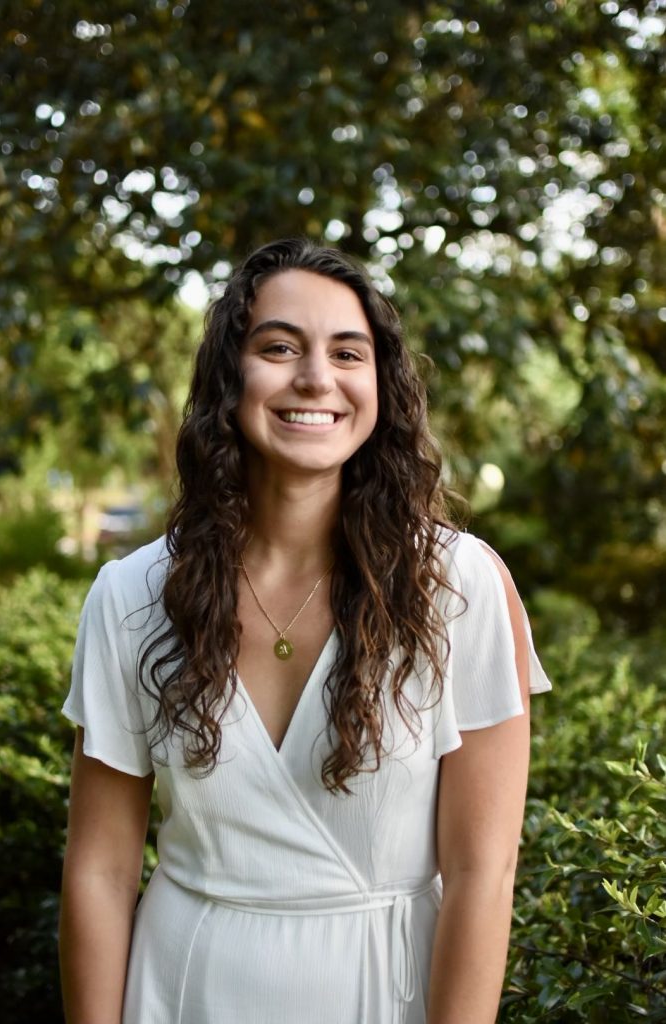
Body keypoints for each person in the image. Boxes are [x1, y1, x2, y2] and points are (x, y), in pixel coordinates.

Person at [59, 237, 551, 1024]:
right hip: (182, 990)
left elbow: (481, 872)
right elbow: (100, 872)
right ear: (231, 377)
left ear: (380, 386)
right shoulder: (131, 595)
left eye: (347, 353)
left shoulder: (459, 587)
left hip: (383, 992)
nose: (316, 378)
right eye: (279, 347)